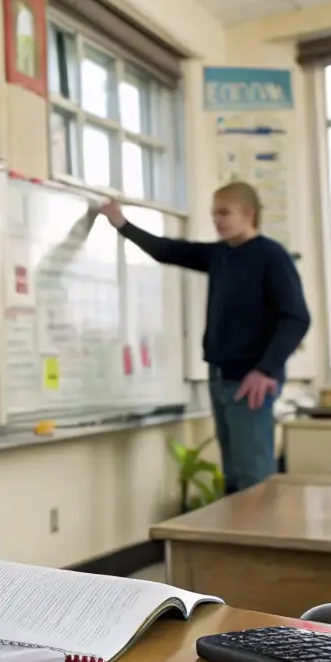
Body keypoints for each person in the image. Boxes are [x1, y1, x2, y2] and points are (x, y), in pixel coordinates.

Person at [98, 182, 309, 494]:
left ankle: (261, 542)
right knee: (234, 475)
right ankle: (235, 542)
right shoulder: (220, 254)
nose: (217, 220)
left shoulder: (271, 256)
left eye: (225, 213)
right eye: (214, 214)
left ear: (249, 214)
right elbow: (165, 250)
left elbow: (296, 318)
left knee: (254, 476)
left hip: (251, 379)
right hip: (220, 375)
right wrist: (122, 224)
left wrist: (266, 369)